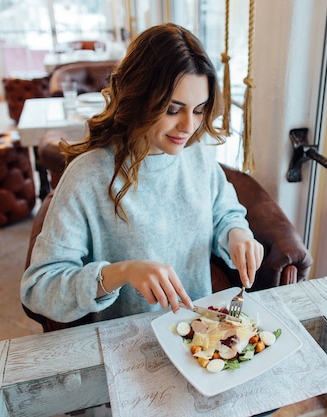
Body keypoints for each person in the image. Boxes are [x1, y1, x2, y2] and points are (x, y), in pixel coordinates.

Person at [21, 23, 264, 324]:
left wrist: (236, 234)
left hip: (198, 338)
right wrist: (122, 272)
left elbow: (225, 212)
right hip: (128, 347)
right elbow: (38, 288)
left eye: (199, 109)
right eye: (173, 109)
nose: (189, 127)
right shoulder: (88, 175)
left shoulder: (197, 155)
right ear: (138, 98)